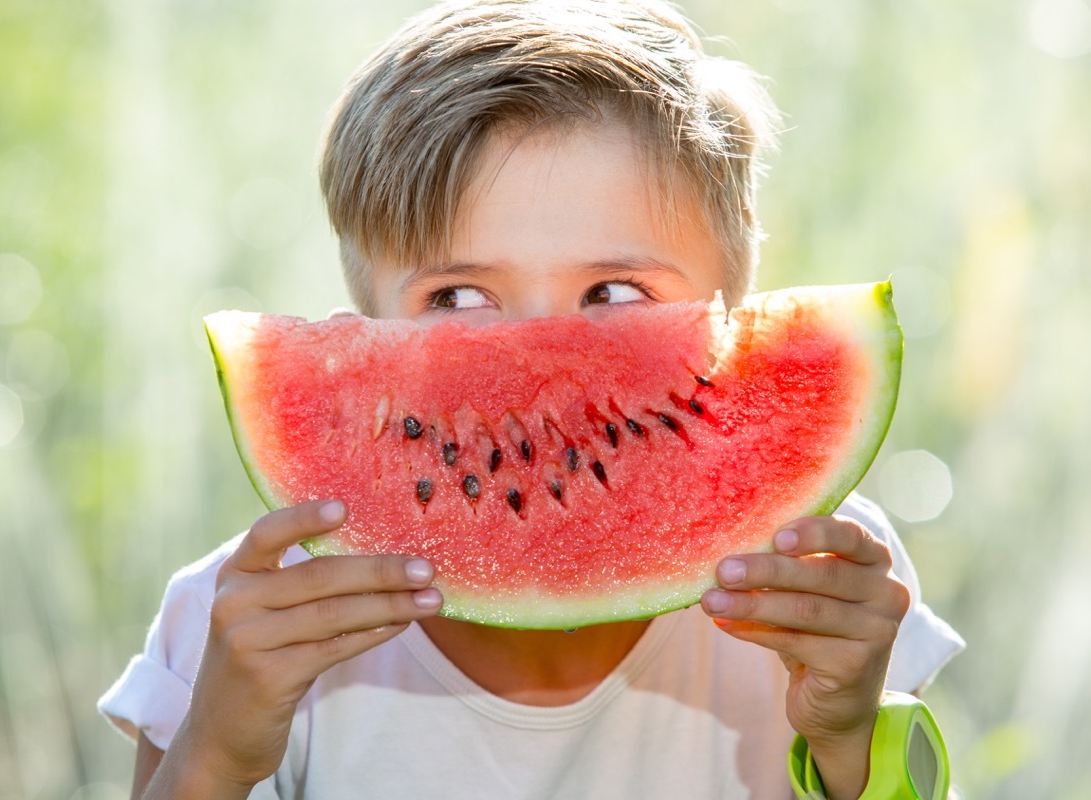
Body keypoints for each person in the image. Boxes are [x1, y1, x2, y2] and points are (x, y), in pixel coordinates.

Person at [99, 1, 964, 797]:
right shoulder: (244, 626)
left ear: (726, 318)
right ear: (363, 335)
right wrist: (213, 752)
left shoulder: (816, 576)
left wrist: (850, 734)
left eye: (618, 294)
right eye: (460, 298)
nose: (545, 367)